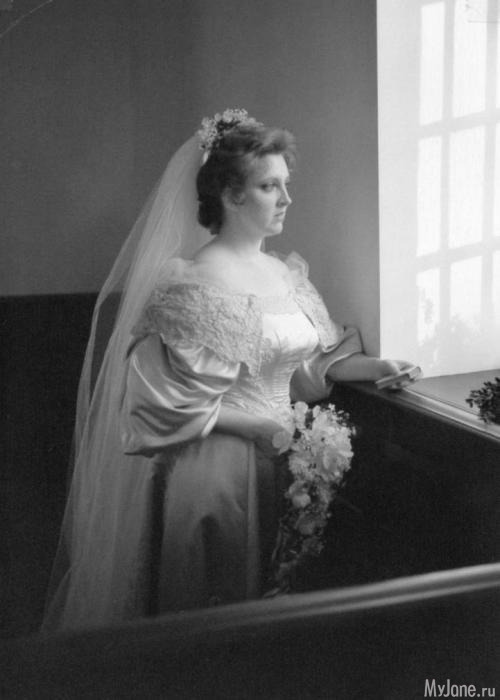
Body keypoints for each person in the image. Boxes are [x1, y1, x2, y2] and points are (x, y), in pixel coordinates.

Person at [43, 109, 416, 632]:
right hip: (216, 472)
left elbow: (307, 361)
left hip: (288, 461)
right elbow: (155, 399)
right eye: (269, 186)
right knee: (218, 611)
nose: (286, 199)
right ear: (230, 195)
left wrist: (376, 366)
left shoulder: (284, 274)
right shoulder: (192, 283)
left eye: (285, 184)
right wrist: (258, 426)